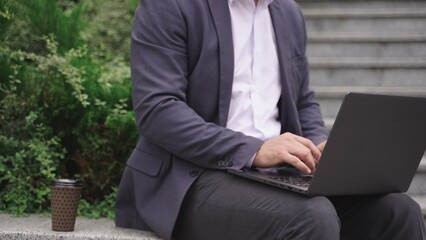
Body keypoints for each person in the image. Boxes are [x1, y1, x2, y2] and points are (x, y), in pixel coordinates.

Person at [115, 0, 426, 239]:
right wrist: (254, 150)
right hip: (191, 175)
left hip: (277, 174)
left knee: (400, 212)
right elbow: (158, 109)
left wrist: (319, 145)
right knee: (312, 217)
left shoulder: (288, 13)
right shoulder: (169, 6)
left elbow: (302, 99)